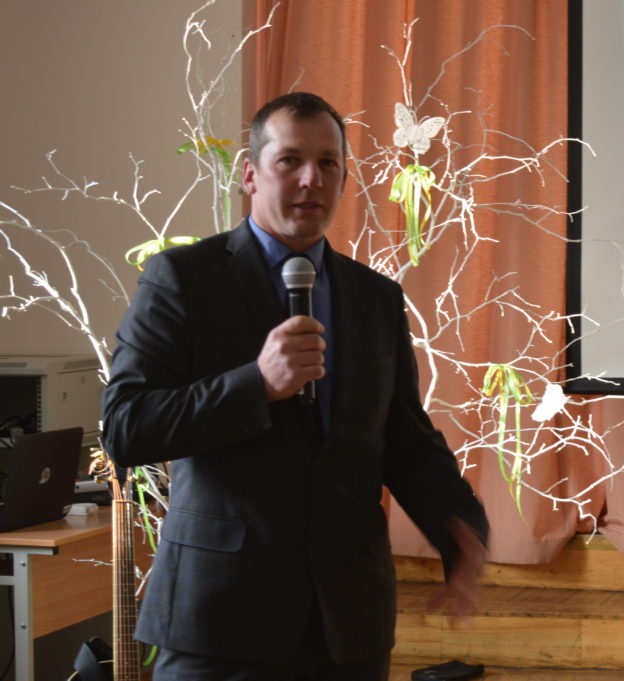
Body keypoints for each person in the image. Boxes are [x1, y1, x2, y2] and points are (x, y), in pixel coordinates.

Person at [101, 92, 488, 681]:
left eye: (329, 163)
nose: (312, 179)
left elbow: (405, 440)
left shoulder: (375, 298)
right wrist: (255, 385)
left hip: (347, 627)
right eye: (290, 160)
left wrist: (459, 529)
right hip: (220, 624)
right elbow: (126, 426)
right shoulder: (183, 278)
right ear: (250, 176)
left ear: (344, 179)